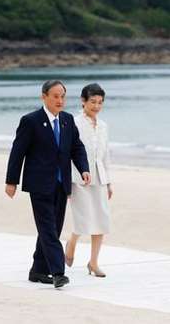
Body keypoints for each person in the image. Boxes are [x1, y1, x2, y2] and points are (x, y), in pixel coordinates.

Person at [5, 80, 91, 289]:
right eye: (55, 96)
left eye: (62, 96)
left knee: (53, 228)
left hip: (62, 185)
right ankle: (58, 272)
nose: (59, 100)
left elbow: (76, 147)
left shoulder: (67, 120)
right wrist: (11, 181)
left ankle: (38, 270)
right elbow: (18, 152)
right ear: (44, 96)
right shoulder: (31, 121)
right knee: (48, 230)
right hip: (39, 184)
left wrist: (84, 168)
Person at [65, 83, 113, 277]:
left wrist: (109, 182)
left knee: (101, 220)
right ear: (83, 101)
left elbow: (105, 155)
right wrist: (67, 182)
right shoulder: (73, 123)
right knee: (83, 219)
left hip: (100, 177)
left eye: (100, 102)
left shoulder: (103, 126)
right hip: (78, 178)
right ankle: (72, 243)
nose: (96, 106)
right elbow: (67, 153)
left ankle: (93, 262)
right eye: (92, 101)